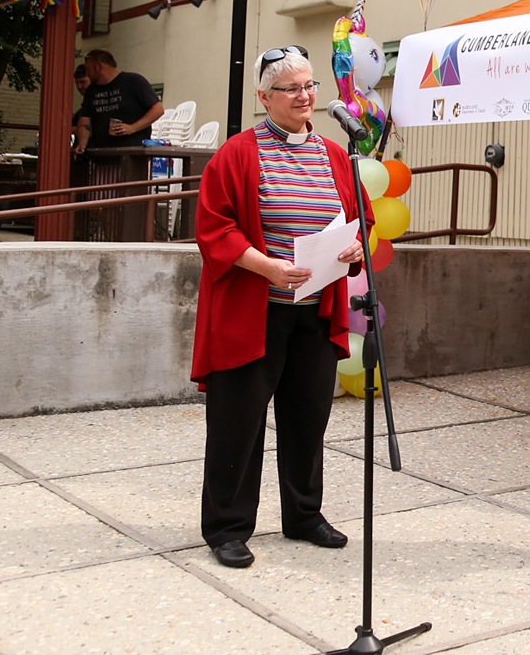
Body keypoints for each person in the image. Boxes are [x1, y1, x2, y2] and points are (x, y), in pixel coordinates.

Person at [190, 46, 369, 569]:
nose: (305, 96)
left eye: (310, 86)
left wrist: (357, 247)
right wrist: (267, 266)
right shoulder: (238, 153)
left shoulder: (336, 155)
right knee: (238, 423)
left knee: (307, 417)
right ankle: (227, 526)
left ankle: (304, 515)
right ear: (264, 97)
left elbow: (359, 218)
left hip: (314, 310)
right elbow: (214, 227)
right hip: (256, 309)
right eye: (291, 88)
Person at [75, 49, 165, 155]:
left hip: (132, 153)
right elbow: (85, 120)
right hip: (102, 154)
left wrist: (132, 128)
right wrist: (82, 144)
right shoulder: (91, 90)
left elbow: (158, 109)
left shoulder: (133, 81)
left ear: (98, 67)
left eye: (88, 69)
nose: (87, 74)